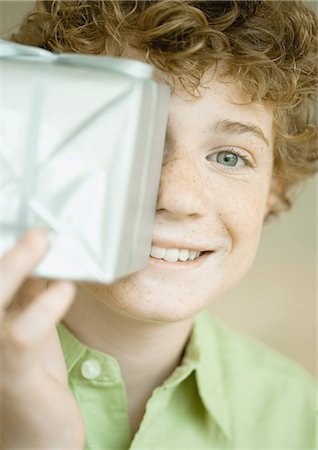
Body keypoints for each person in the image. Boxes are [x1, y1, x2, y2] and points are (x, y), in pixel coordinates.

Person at [1, 1, 317, 449]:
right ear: (42, 158)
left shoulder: (297, 414)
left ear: (272, 192)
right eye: (131, 139)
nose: (176, 196)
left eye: (229, 157)